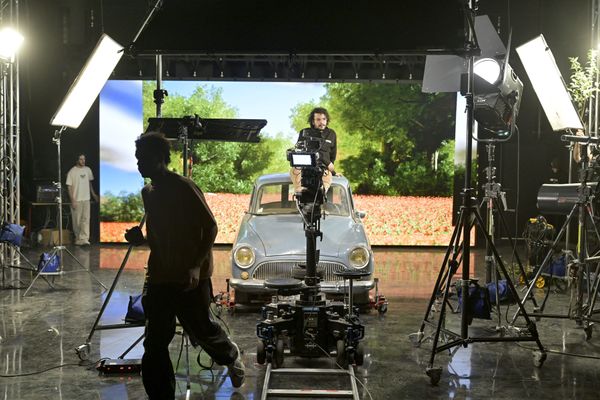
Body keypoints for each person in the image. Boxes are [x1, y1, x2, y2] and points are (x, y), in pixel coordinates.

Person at [127, 132, 244, 399]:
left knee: (202, 329)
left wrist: (195, 266)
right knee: (155, 343)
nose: (138, 164)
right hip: (159, 277)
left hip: (189, 276)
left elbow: (211, 227)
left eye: (142, 158)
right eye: (136, 158)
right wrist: (140, 239)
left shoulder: (184, 187)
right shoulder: (148, 193)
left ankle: (231, 355)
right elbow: (160, 239)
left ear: (159, 158)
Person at [290, 107, 337, 195]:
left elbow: (333, 155)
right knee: (294, 171)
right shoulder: (304, 132)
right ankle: (300, 192)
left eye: (324, 119)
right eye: (318, 119)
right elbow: (299, 150)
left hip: (324, 168)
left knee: (326, 179)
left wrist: (332, 170)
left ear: (327, 120)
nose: (322, 122)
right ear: (313, 121)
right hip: (305, 166)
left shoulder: (332, 134)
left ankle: (321, 194)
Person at [66, 154, 98, 246]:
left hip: (86, 199)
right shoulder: (72, 172)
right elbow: (69, 187)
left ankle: (84, 239)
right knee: (77, 220)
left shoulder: (88, 170)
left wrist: (93, 195)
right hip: (77, 199)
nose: (83, 161)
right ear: (77, 160)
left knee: (86, 219)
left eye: (84, 159)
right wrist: (72, 200)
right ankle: (78, 238)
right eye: (81, 159)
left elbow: (89, 183)